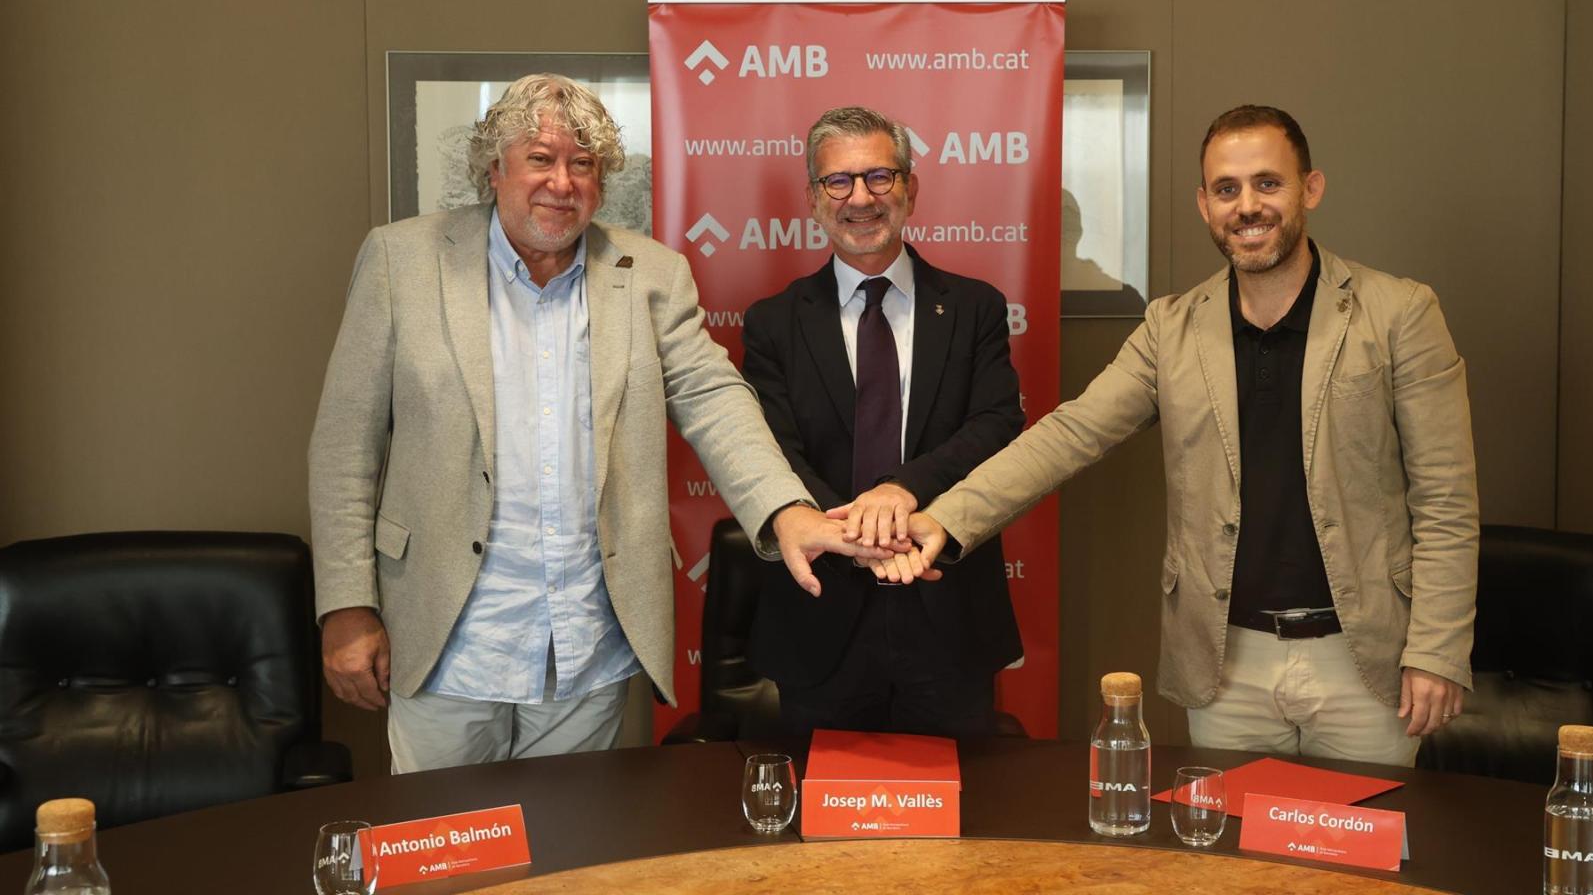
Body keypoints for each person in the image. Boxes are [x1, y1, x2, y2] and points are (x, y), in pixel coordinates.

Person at [308, 74, 882, 773]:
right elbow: (345, 444)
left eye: (583, 164)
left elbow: (714, 397)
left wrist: (787, 510)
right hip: (448, 636)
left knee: (575, 857)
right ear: (494, 169)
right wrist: (345, 606)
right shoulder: (402, 261)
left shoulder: (650, 274)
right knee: (445, 861)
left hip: (586, 641)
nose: (561, 182)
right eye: (540, 159)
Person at [874, 105, 1477, 765]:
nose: (1247, 206)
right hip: (1225, 666)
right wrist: (944, 520)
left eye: (1267, 184)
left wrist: (1438, 650)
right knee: (1230, 865)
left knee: (1360, 865)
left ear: (1311, 188)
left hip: (1365, 665)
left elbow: (1446, 501)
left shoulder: (1399, 314)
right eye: (1227, 189)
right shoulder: (1172, 328)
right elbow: (1071, 433)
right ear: (1204, 203)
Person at [740, 106, 1025, 738]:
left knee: (961, 824)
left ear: (911, 189)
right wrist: (856, 535)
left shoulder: (975, 307)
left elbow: (995, 425)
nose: (860, 198)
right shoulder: (772, 323)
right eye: (838, 182)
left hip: (947, 607)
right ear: (814, 200)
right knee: (820, 825)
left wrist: (900, 494)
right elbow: (772, 451)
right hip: (820, 614)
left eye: (880, 177)